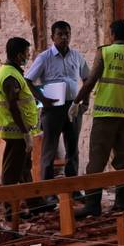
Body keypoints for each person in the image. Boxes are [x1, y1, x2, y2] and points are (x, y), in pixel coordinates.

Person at [68, 20, 124, 218]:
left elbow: (91, 80)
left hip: (105, 116)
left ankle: (92, 205)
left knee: (96, 162)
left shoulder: (105, 52)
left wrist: (76, 102)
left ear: (112, 34)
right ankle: (121, 204)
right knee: (123, 161)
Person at [25, 21, 90, 184]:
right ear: (52, 37)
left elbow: (87, 79)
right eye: (60, 34)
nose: (64, 37)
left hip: (73, 107)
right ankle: (48, 190)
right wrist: (42, 99)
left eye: (67, 34)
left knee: (73, 149)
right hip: (53, 108)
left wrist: (85, 103)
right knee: (49, 149)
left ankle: (72, 187)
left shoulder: (76, 56)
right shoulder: (44, 58)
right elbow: (28, 80)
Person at [0, 37, 47, 216]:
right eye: (26, 53)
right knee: (11, 172)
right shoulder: (10, 75)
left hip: (21, 131)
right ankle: (9, 209)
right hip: (17, 132)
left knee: (25, 169)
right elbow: (13, 105)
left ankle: (36, 204)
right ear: (18, 55)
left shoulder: (13, 72)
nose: (28, 56)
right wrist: (25, 133)